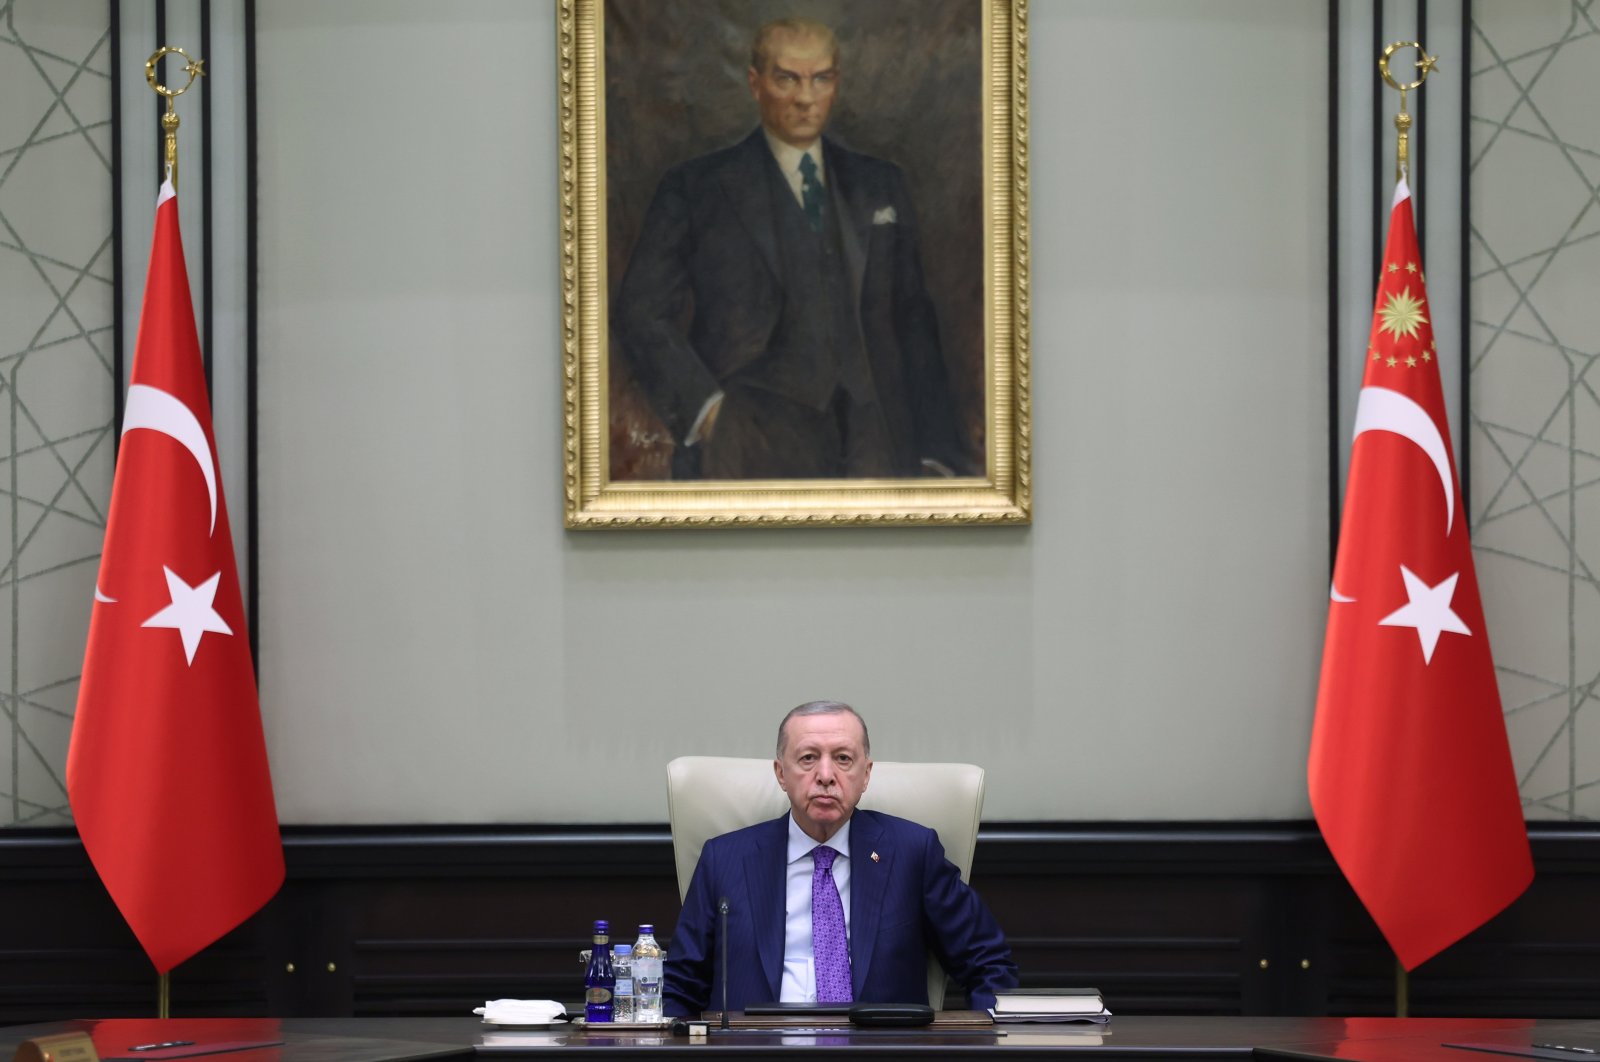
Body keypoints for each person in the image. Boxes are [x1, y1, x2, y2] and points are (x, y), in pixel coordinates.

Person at [613, 18, 975, 480]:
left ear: (835, 83)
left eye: (820, 79)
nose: (806, 98)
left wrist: (936, 453)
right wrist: (706, 412)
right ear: (755, 84)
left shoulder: (880, 184)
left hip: (876, 444)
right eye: (787, 79)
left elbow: (913, 321)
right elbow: (641, 312)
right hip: (745, 441)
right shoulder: (695, 188)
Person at [663, 701, 1016, 1017]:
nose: (826, 775)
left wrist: (982, 1046)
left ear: (866, 775)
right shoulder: (724, 860)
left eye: (843, 759)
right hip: (755, 1052)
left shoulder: (912, 852)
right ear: (780, 774)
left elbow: (988, 964)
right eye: (808, 758)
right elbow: (680, 988)